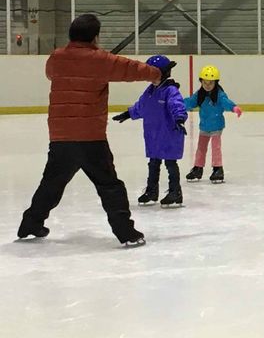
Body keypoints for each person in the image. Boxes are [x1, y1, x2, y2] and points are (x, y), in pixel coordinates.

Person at [17, 14, 159, 246]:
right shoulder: (100, 60)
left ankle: (30, 224)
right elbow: (131, 69)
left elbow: (50, 74)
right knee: (110, 186)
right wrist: (156, 74)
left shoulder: (57, 57)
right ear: (95, 37)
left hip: (61, 136)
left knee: (51, 184)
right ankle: (126, 232)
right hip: (90, 137)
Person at [113, 55, 188, 208]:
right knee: (153, 163)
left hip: (169, 133)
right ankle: (151, 191)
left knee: (170, 163)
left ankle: (175, 192)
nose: (149, 77)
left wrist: (179, 118)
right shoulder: (150, 91)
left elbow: (177, 105)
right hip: (153, 135)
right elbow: (141, 107)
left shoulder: (170, 90)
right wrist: (128, 114)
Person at [183, 65, 243, 184]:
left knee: (215, 148)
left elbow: (226, 102)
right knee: (201, 148)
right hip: (204, 126)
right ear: (201, 82)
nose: (207, 85)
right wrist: (178, 103)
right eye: (205, 83)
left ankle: (217, 169)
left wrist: (233, 107)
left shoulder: (219, 95)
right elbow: (190, 102)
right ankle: (198, 168)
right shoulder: (200, 94)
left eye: (210, 83)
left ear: (216, 82)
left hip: (216, 126)